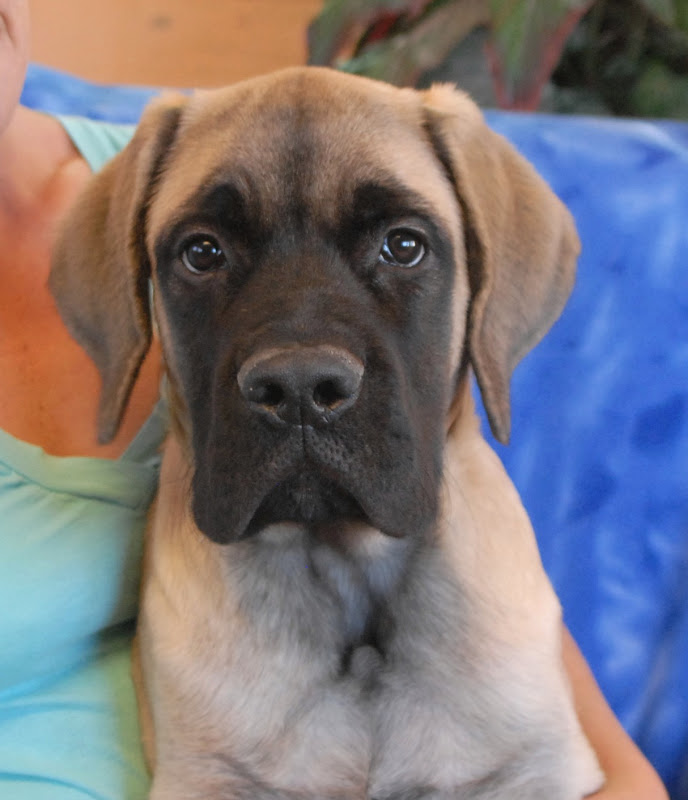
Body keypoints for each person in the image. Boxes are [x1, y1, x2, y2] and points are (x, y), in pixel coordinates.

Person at [0, 1, 669, 797]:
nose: (302, 368)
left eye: (402, 245)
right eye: (206, 254)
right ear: (130, 296)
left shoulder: (152, 170)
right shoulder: (145, 195)